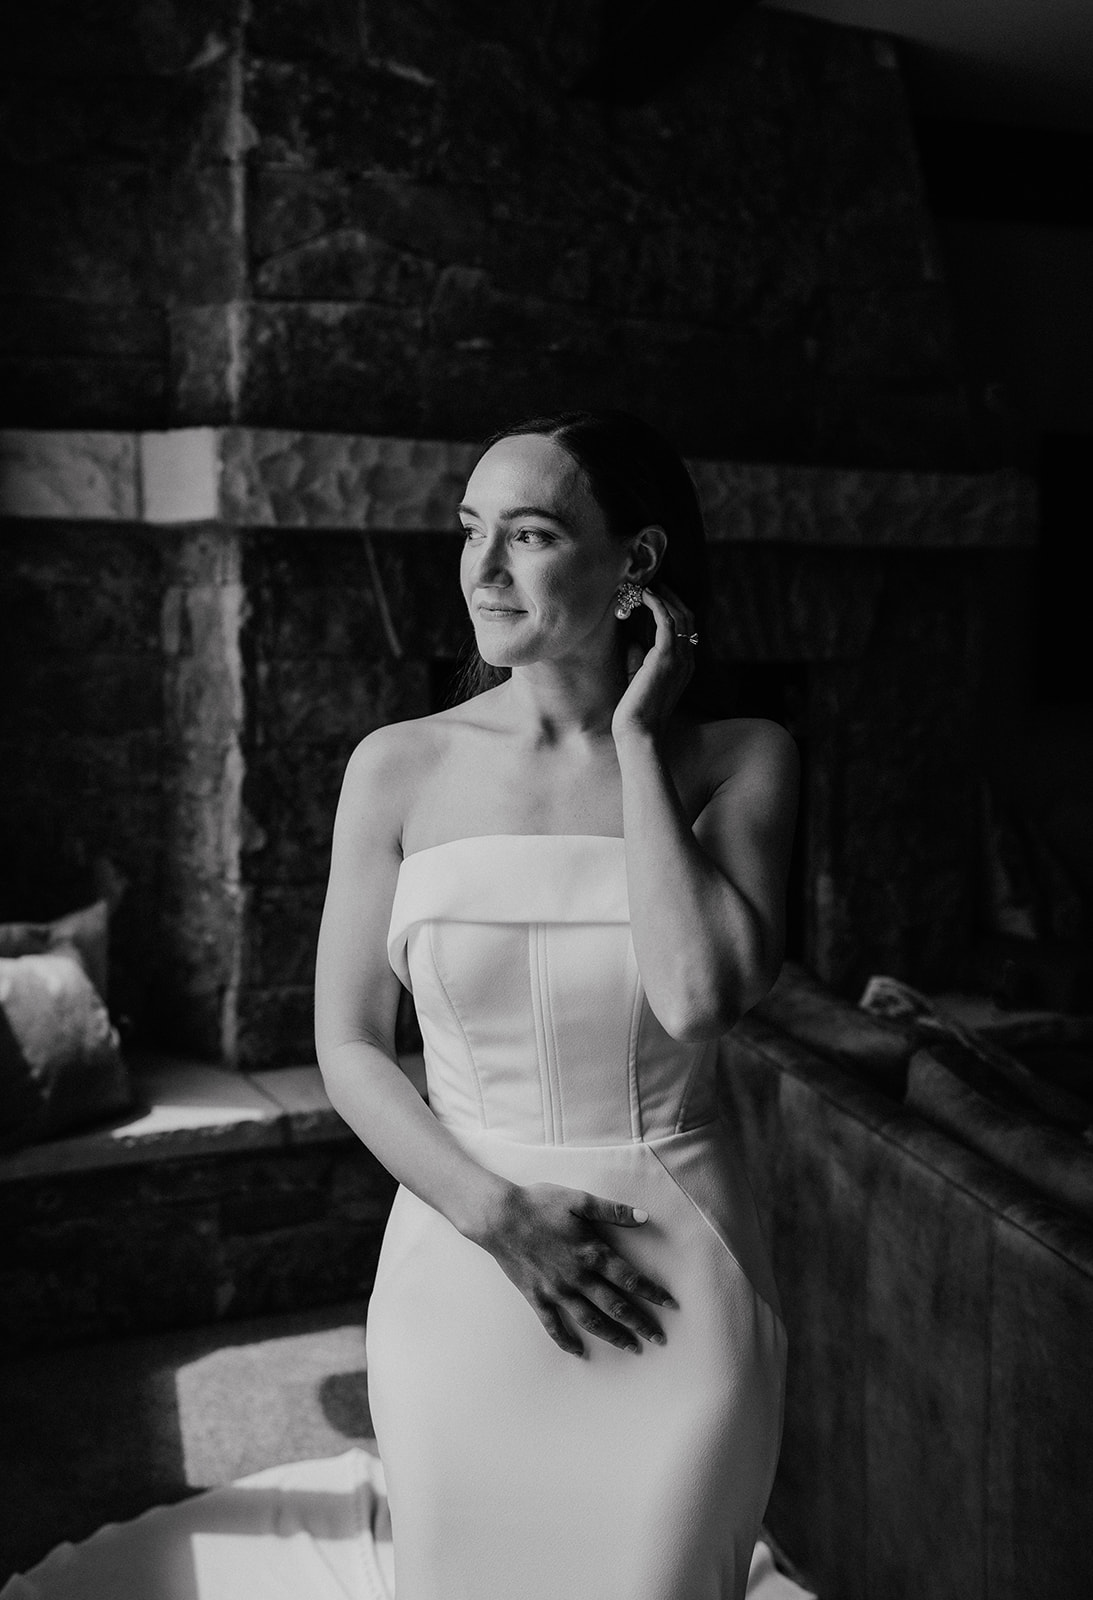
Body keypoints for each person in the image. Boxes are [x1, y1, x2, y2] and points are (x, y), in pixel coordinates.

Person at [313, 408, 800, 1600]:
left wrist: (636, 740)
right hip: (460, 1263)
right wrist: (494, 1214)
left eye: (525, 535)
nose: (480, 570)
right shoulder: (397, 766)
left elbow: (698, 1000)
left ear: (634, 563)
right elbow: (348, 1043)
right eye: (470, 530)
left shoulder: (736, 758)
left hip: (678, 1269)